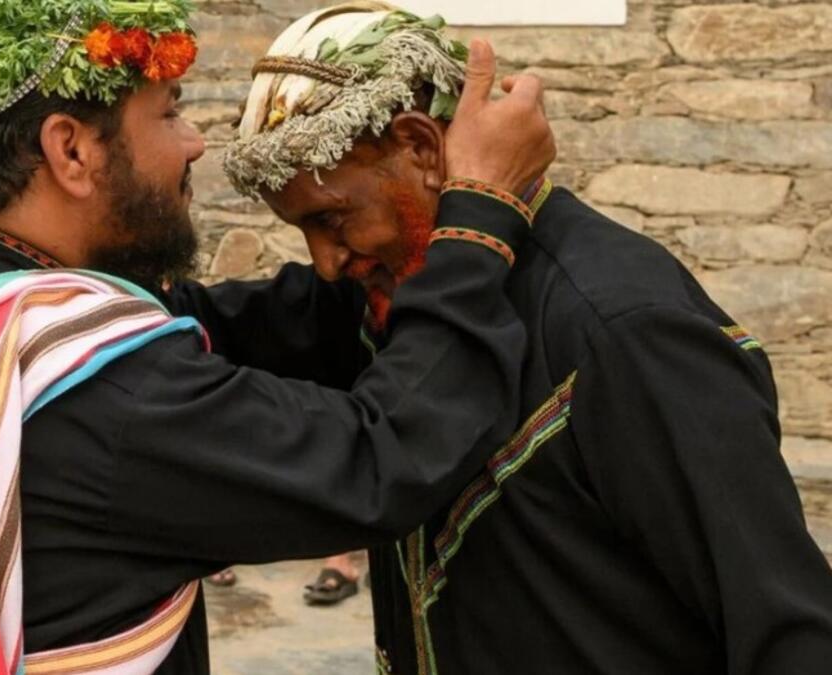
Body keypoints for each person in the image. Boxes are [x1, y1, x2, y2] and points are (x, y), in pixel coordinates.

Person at [0, 1, 554, 674]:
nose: (195, 145)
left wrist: (362, 260)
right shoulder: (85, 389)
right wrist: (477, 222)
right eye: (171, 113)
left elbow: (207, 322)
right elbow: (381, 458)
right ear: (72, 151)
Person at [225, 3, 832, 673]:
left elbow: (787, 626)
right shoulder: (399, 296)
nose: (327, 261)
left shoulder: (623, 326)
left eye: (334, 218)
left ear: (423, 148)